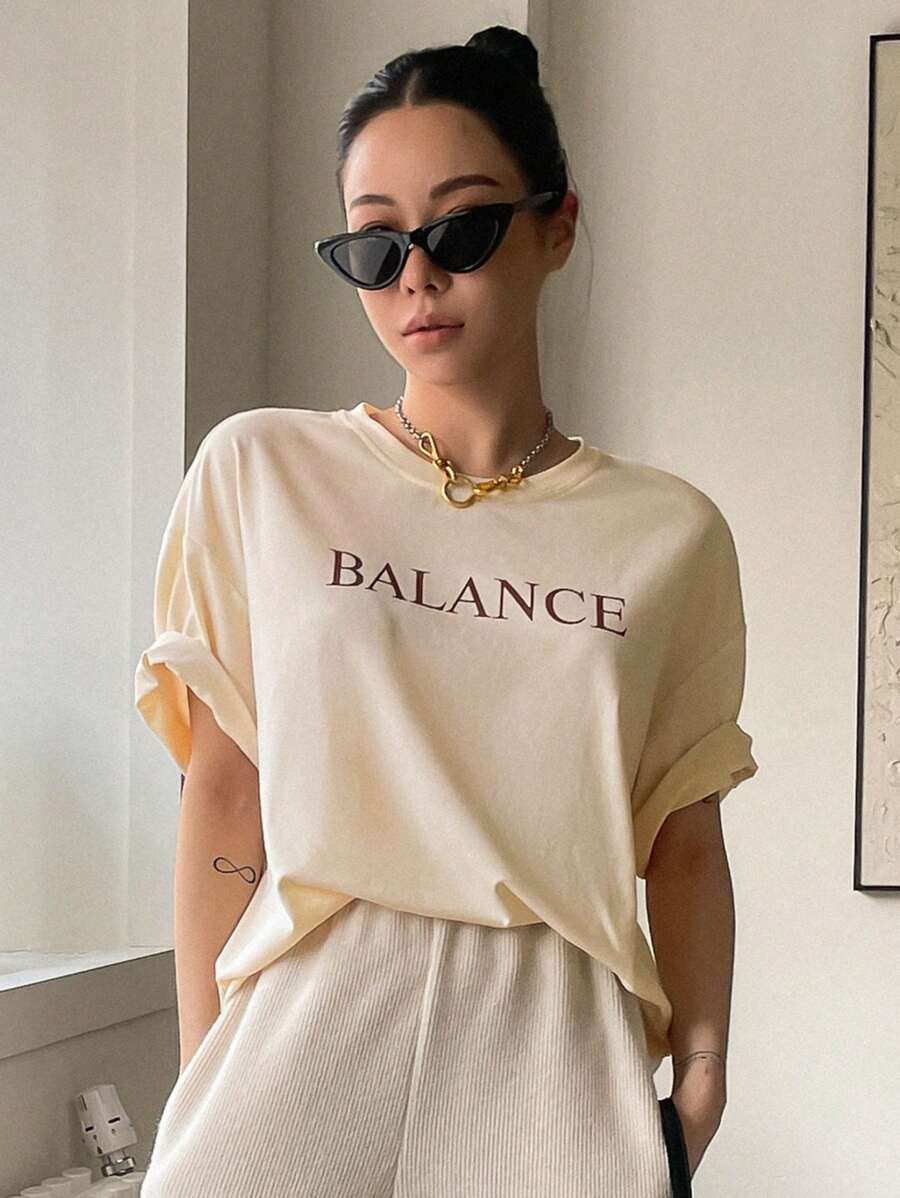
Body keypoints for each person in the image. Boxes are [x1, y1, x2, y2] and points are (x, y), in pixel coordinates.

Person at [133, 25, 757, 1198]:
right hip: (304, 1019)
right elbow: (223, 790)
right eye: (375, 245)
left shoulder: (670, 534)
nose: (415, 277)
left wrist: (704, 1075)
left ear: (557, 226)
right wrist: (202, 1065)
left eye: (461, 229)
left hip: (553, 1037)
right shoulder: (263, 473)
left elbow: (683, 838)